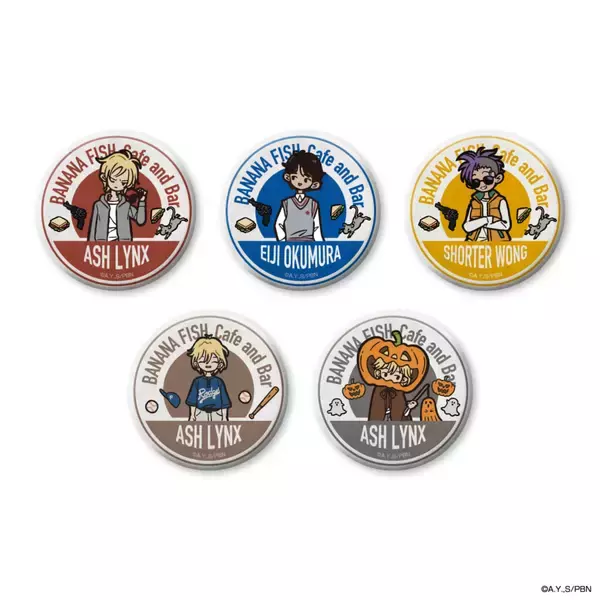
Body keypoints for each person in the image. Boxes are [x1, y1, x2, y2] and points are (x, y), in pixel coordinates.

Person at [87, 149, 147, 241]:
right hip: (101, 244)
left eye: (123, 182)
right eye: (113, 180)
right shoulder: (98, 205)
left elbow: (140, 220)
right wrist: (90, 245)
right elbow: (93, 228)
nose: (118, 184)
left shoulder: (126, 205)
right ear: (104, 177)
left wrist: (142, 201)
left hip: (123, 244)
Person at [458, 147, 511, 241]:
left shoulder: (500, 201)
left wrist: (479, 223)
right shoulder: (474, 202)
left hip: (497, 242)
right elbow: (466, 227)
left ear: (498, 178)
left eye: (487, 179)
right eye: (476, 182)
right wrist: (487, 219)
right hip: (474, 241)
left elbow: (506, 225)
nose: (482, 185)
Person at [274, 150, 324, 241]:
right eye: (295, 177)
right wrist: (282, 241)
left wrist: (320, 245)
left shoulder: (313, 204)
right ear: (288, 177)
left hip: (309, 243)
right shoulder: (286, 203)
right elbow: (279, 224)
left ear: (314, 184)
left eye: (306, 179)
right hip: (290, 242)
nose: (300, 182)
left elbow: (317, 227)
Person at [185, 336, 232, 422]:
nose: (208, 363)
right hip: (200, 414)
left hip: (217, 414)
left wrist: (224, 417)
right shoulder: (197, 382)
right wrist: (192, 415)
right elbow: (192, 401)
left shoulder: (219, 382)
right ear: (196, 362)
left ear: (220, 362)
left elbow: (224, 402)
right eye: (203, 360)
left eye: (213, 360)